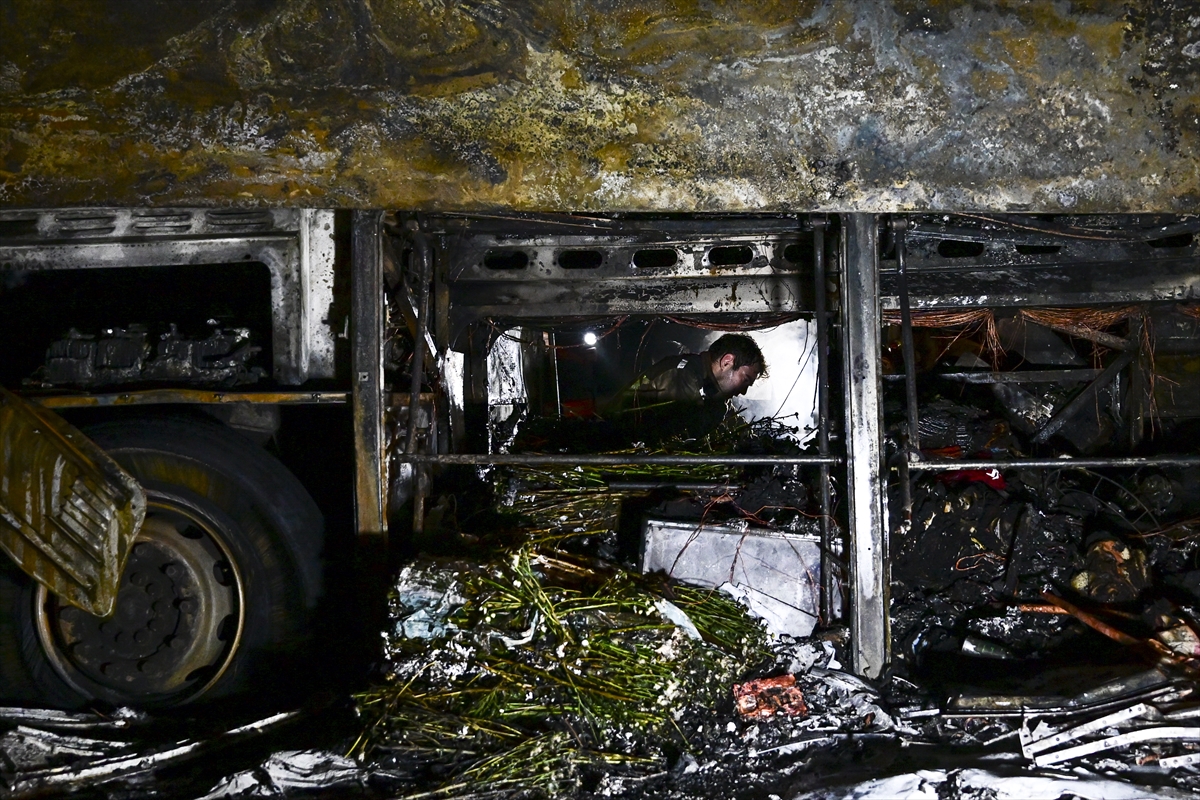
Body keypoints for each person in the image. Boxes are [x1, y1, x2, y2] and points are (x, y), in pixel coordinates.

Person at [603, 333, 766, 439]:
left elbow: (731, 420)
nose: (743, 391)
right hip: (614, 446)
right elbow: (683, 433)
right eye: (745, 380)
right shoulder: (681, 374)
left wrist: (751, 438)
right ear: (727, 362)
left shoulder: (707, 385)